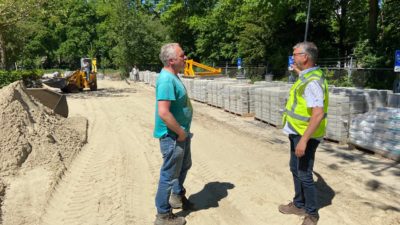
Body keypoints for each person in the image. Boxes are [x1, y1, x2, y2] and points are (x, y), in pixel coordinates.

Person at [279, 42, 329, 225]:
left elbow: (317, 114)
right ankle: (298, 204)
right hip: (296, 131)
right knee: (295, 168)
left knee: (304, 173)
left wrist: (304, 141)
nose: (293, 57)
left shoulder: (313, 82)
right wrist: (298, 72)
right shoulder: (308, 75)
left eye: (295, 54)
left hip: (304, 135)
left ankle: (312, 214)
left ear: (305, 57)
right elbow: (305, 79)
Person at [153, 43, 193, 225]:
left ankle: (177, 196)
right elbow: (163, 112)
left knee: (184, 166)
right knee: (169, 175)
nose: (185, 58)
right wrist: (180, 132)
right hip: (173, 136)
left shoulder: (173, 76)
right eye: (182, 55)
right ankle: (163, 215)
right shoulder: (167, 80)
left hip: (180, 134)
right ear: (171, 60)